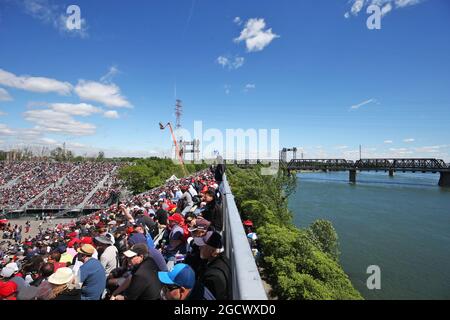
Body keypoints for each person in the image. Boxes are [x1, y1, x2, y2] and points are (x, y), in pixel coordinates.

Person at [195, 231, 231, 300]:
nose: (199, 248)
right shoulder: (220, 259)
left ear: (212, 251)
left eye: (202, 246)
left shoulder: (213, 277)